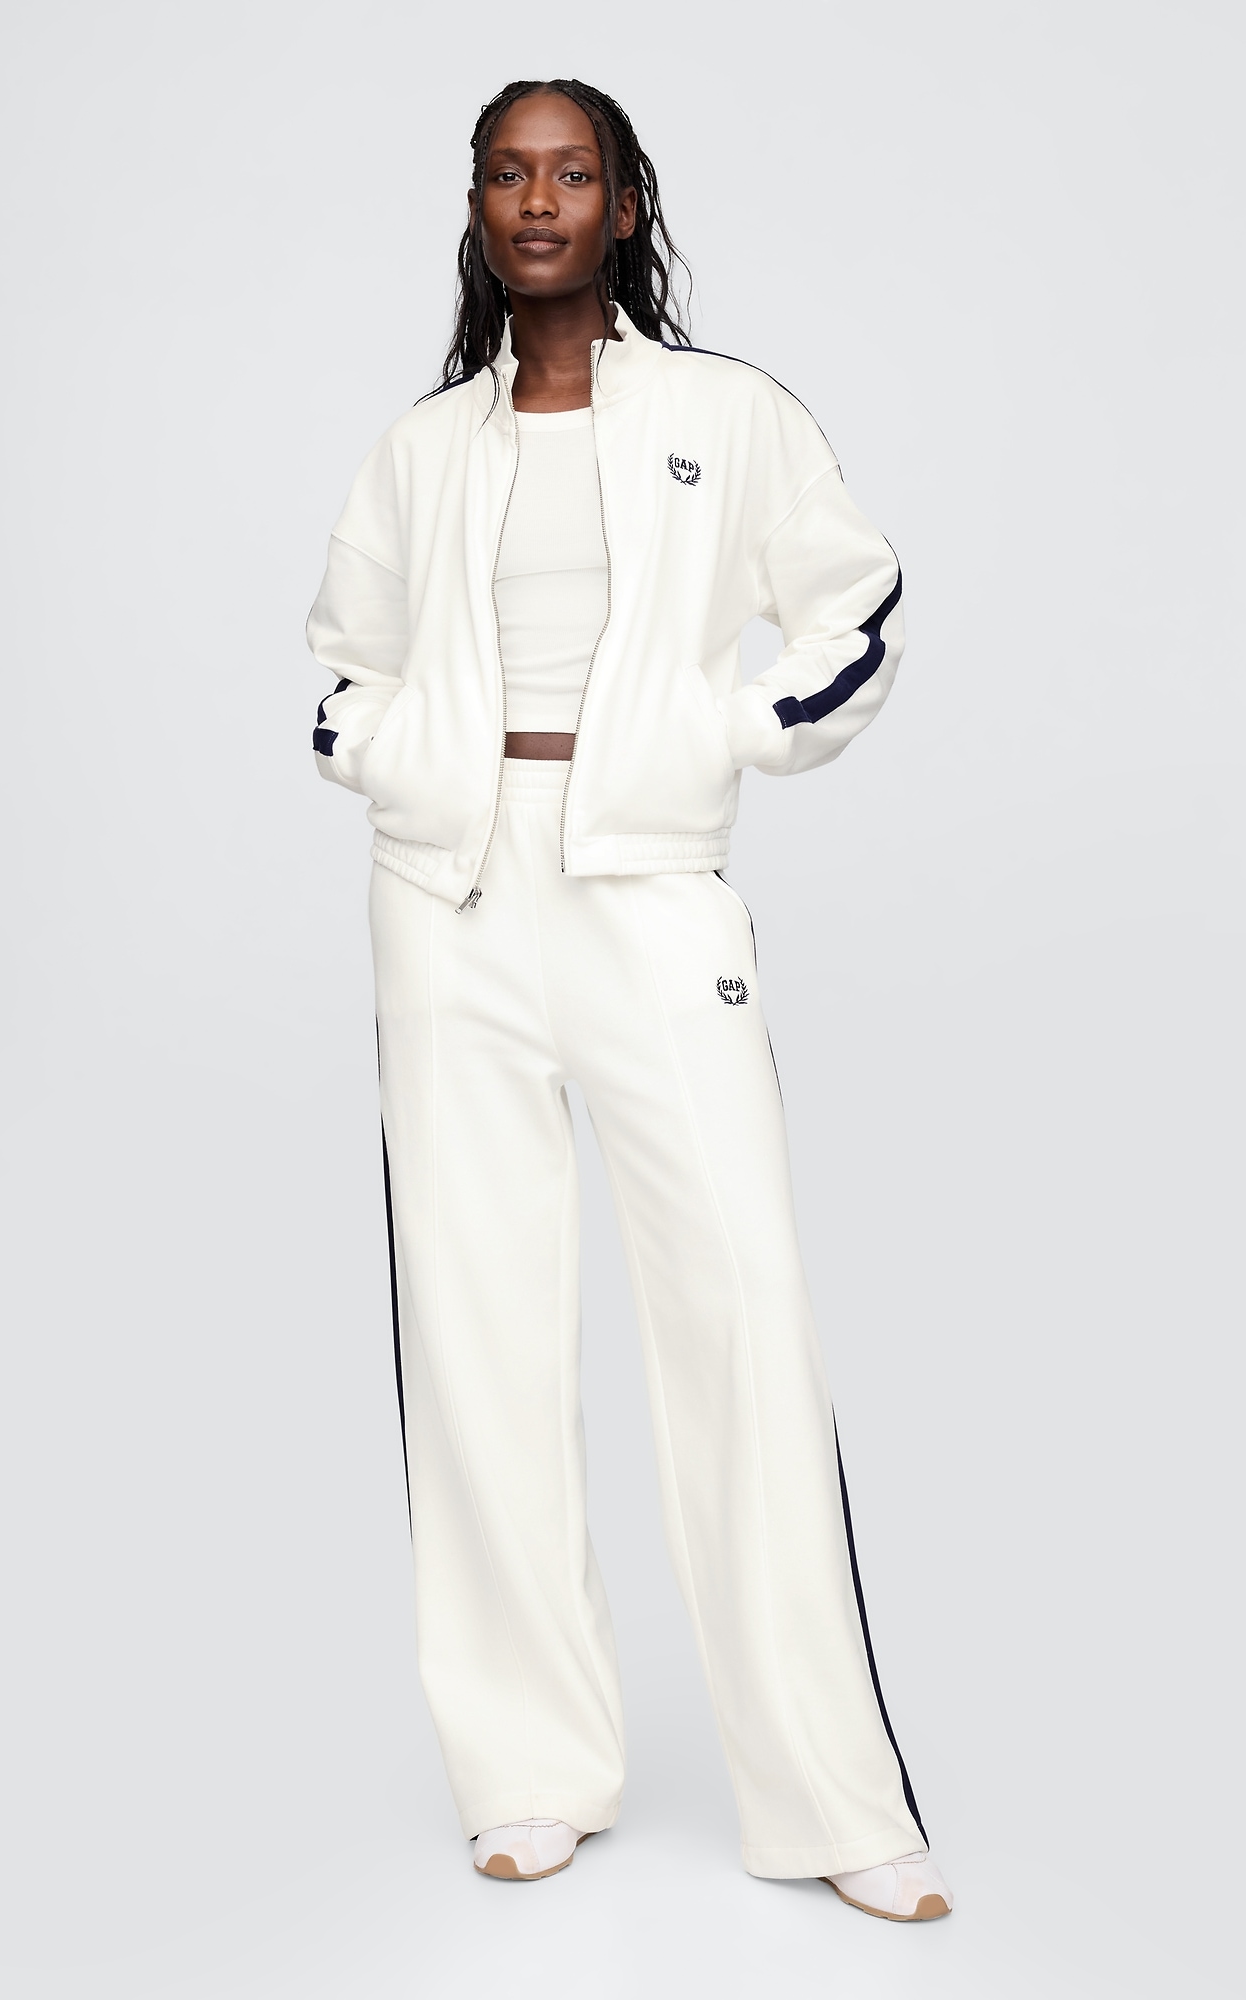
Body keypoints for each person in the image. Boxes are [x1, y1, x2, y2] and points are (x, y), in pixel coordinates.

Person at [305, 78, 952, 1923]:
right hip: (449, 899)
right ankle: (527, 1770)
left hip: (653, 891)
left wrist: (725, 731)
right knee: (478, 1337)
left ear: (624, 202)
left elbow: (855, 607)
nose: (539, 201)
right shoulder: (423, 448)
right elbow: (341, 666)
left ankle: (830, 1797)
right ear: (476, 206)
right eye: (509, 174)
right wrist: (392, 757)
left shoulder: (725, 417)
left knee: (742, 1320)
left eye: (571, 172)